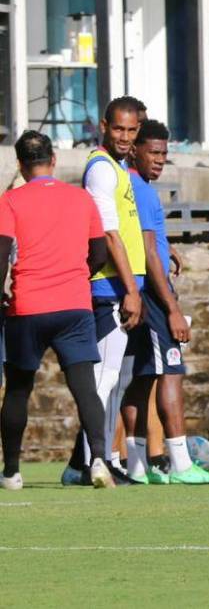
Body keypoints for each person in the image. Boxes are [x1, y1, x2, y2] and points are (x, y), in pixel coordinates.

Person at [0, 132, 115, 489]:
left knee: (18, 389)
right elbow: (100, 252)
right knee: (85, 389)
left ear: (20, 165)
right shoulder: (81, 199)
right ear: (53, 160)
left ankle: (12, 472)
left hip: (28, 307)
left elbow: (2, 253)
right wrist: (77, 275)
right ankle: (99, 461)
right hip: (74, 306)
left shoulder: (10, 200)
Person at [121, 120, 209, 484]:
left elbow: (148, 242)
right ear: (135, 150)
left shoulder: (131, 186)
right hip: (153, 295)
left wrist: (168, 251)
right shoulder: (140, 190)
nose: (160, 160)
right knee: (170, 372)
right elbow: (148, 251)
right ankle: (180, 464)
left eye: (164, 153)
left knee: (141, 379)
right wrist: (173, 309)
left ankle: (137, 466)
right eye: (153, 152)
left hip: (143, 289)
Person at [62, 96, 146, 485]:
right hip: (109, 287)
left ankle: (87, 461)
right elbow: (110, 234)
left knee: (112, 380)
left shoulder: (118, 167)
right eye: (118, 129)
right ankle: (91, 462)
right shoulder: (101, 169)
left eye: (131, 130)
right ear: (103, 127)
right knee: (103, 380)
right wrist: (131, 290)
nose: (125, 137)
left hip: (120, 286)